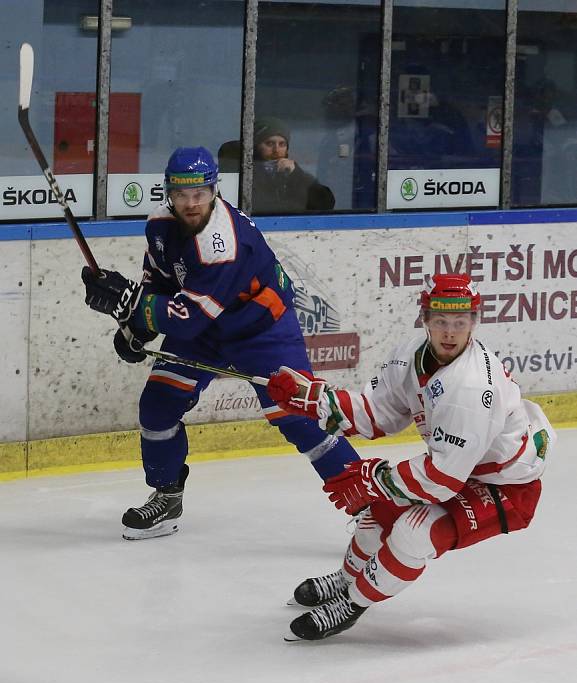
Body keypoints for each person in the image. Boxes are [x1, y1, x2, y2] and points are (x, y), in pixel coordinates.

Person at [81, 146, 360, 540]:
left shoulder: (223, 242)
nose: (191, 204)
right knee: (158, 406)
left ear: (214, 190)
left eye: (200, 194)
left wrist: (129, 303)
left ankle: (370, 507)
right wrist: (134, 327)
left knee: (301, 419)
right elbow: (161, 283)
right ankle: (167, 497)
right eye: (182, 195)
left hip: (261, 329)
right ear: (169, 193)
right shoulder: (161, 225)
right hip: (206, 329)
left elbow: (189, 317)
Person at [268, 273, 556, 641]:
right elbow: (378, 413)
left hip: (507, 484)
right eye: (440, 322)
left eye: (460, 323)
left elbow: (442, 479)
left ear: (473, 322)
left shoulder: (470, 387)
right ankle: (345, 579)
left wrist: (377, 477)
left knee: (414, 532)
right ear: (425, 320)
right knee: (376, 516)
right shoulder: (410, 356)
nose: (450, 333)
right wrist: (319, 401)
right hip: (459, 465)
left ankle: (352, 604)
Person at [252, 117, 335, 214]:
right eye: (270, 143)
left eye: (282, 144)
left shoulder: (293, 173)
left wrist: (296, 174)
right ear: (256, 145)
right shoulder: (247, 174)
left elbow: (325, 203)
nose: (276, 150)